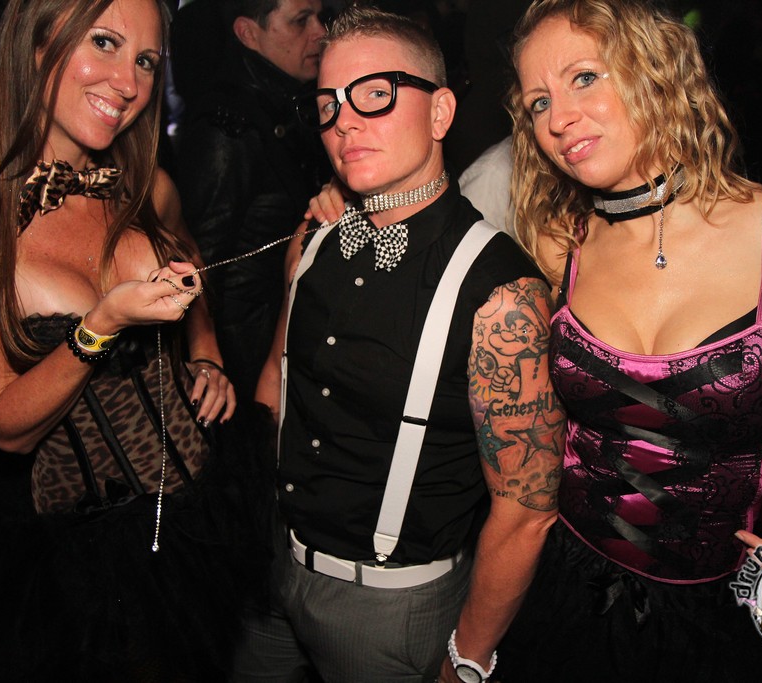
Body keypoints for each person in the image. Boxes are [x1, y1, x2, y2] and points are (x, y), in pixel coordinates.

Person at [498, 0, 762, 680]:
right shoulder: (558, 243)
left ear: (656, 70)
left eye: (584, 77)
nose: (558, 119)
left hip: (741, 603)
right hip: (564, 591)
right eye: (538, 102)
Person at [0, 0, 267, 679]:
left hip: (207, 506)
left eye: (147, 61)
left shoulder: (144, 187)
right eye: (103, 43)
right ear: (36, 46)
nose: (128, 83)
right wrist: (99, 327)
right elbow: (5, 426)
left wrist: (206, 352)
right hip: (94, 561)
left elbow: (192, 262)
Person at [240, 6, 563, 682]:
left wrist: (467, 659)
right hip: (271, 568)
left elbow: (526, 511)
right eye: (327, 104)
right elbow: (275, 380)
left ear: (440, 112)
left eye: (375, 94)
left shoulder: (501, 294)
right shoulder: (313, 239)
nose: (344, 121)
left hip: (388, 611)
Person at [173, 0, 331, 401]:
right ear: (248, 33)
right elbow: (199, 265)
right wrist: (214, 366)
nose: (320, 32)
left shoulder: (293, 103)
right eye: (301, 21)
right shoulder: (228, 127)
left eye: (319, 17)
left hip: (284, 343)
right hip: (245, 365)